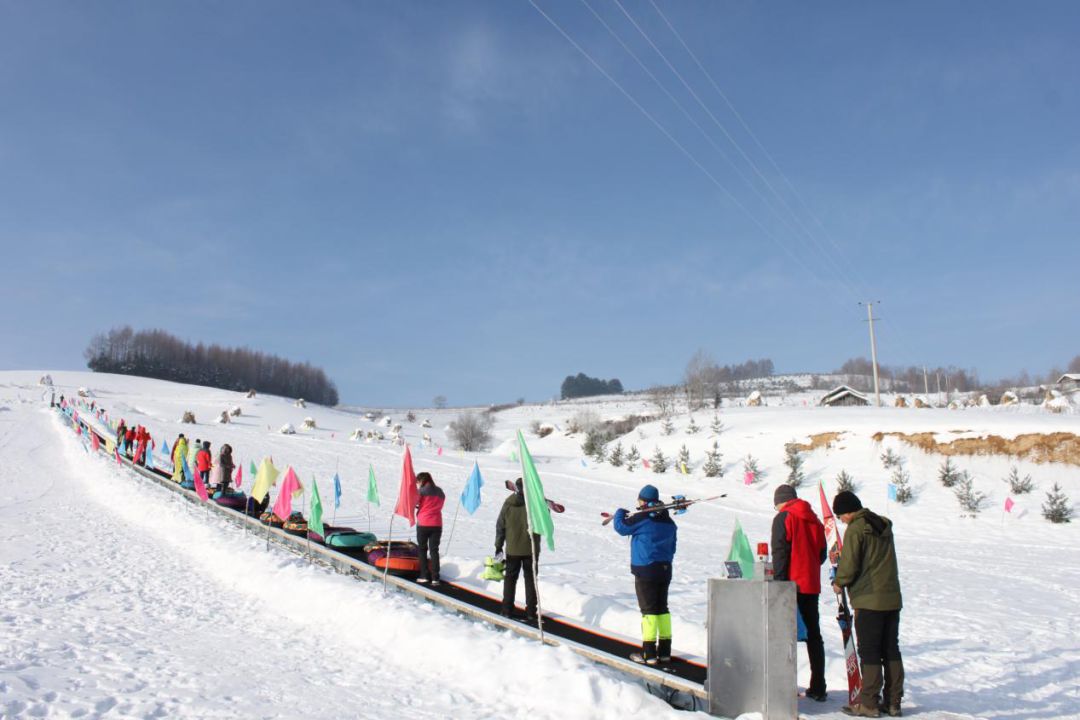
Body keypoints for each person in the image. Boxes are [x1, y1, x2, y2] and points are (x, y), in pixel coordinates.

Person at [832, 491, 905, 718]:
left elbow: (851, 564)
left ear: (847, 511)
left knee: (870, 652)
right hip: (891, 598)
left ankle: (869, 703)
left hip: (868, 600)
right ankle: (893, 702)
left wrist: (839, 582)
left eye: (840, 516)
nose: (841, 520)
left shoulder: (856, 528)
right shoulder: (881, 524)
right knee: (890, 649)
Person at [771, 484, 828, 701]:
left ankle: (785, 688)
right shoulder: (814, 520)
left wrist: (779, 583)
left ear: (780, 501)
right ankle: (818, 686)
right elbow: (822, 553)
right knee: (814, 635)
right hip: (811, 584)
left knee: (785, 636)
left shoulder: (784, 518)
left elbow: (780, 551)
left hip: (791, 586)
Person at [612, 484, 677, 665]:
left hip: (646, 569)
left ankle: (649, 654)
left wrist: (619, 512)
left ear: (643, 500)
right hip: (665, 569)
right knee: (662, 609)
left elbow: (621, 527)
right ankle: (664, 652)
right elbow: (673, 546)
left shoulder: (642, 518)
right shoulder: (669, 522)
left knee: (648, 612)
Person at [495, 478, 540, 623]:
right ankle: (531, 612)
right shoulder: (535, 504)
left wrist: (498, 545)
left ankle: (507, 610)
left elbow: (500, 525)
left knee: (510, 579)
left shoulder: (508, 503)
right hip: (531, 549)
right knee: (530, 580)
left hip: (513, 549)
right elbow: (544, 522)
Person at [414, 471, 446, 586]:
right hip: (437, 523)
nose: (417, 484)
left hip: (423, 523)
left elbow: (414, 502)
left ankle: (424, 575)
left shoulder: (421, 491)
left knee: (422, 549)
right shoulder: (440, 492)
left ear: (422, 480)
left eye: (418, 481)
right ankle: (435, 578)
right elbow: (439, 505)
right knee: (434, 550)